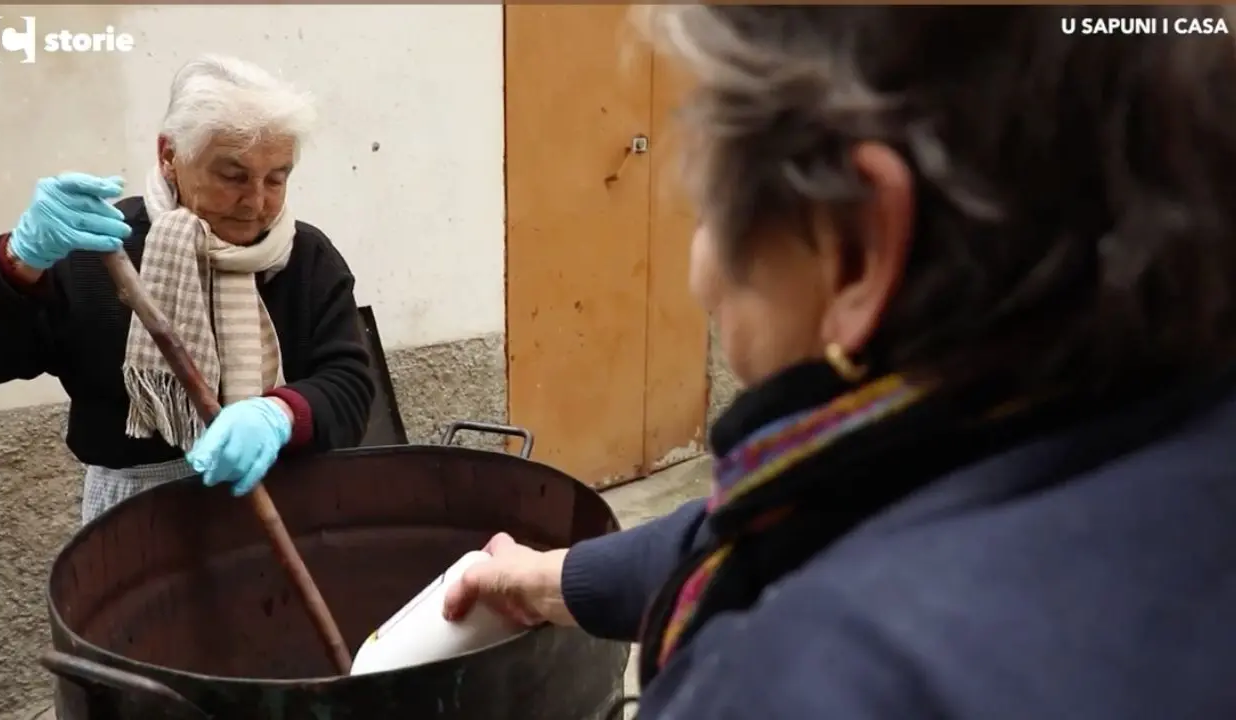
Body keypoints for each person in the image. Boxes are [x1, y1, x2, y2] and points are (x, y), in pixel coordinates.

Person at [444, 6, 1236, 719]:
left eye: (709, 207)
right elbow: (809, 513)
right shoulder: (1140, 413)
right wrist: (546, 580)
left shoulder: (814, 678)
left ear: (855, 248)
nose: (700, 277)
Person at [0, 54, 375, 525]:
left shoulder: (305, 258)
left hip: (286, 507)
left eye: (276, 177)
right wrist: (19, 260)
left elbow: (350, 385)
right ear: (169, 156)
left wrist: (280, 417)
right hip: (135, 527)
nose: (256, 202)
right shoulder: (99, 254)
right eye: (233, 176)